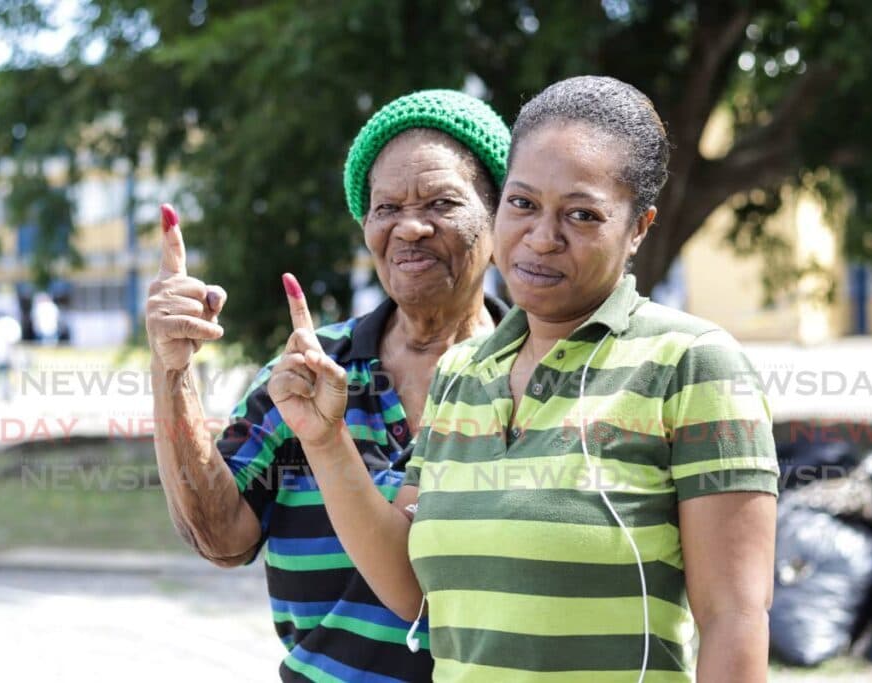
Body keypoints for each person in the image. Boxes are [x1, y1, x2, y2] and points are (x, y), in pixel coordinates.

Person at [269, 76, 779, 682]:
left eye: (582, 215)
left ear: (638, 227)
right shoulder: (464, 372)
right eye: (523, 203)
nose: (542, 238)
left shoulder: (691, 364)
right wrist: (325, 442)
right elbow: (415, 592)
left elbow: (734, 619)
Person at [146, 89, 511, 681]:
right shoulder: (304, 373)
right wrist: (172, 369)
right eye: (385, 208)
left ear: (500, 218)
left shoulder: (541, 372)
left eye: (442, 203)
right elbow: (221, 537)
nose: (410, 227)